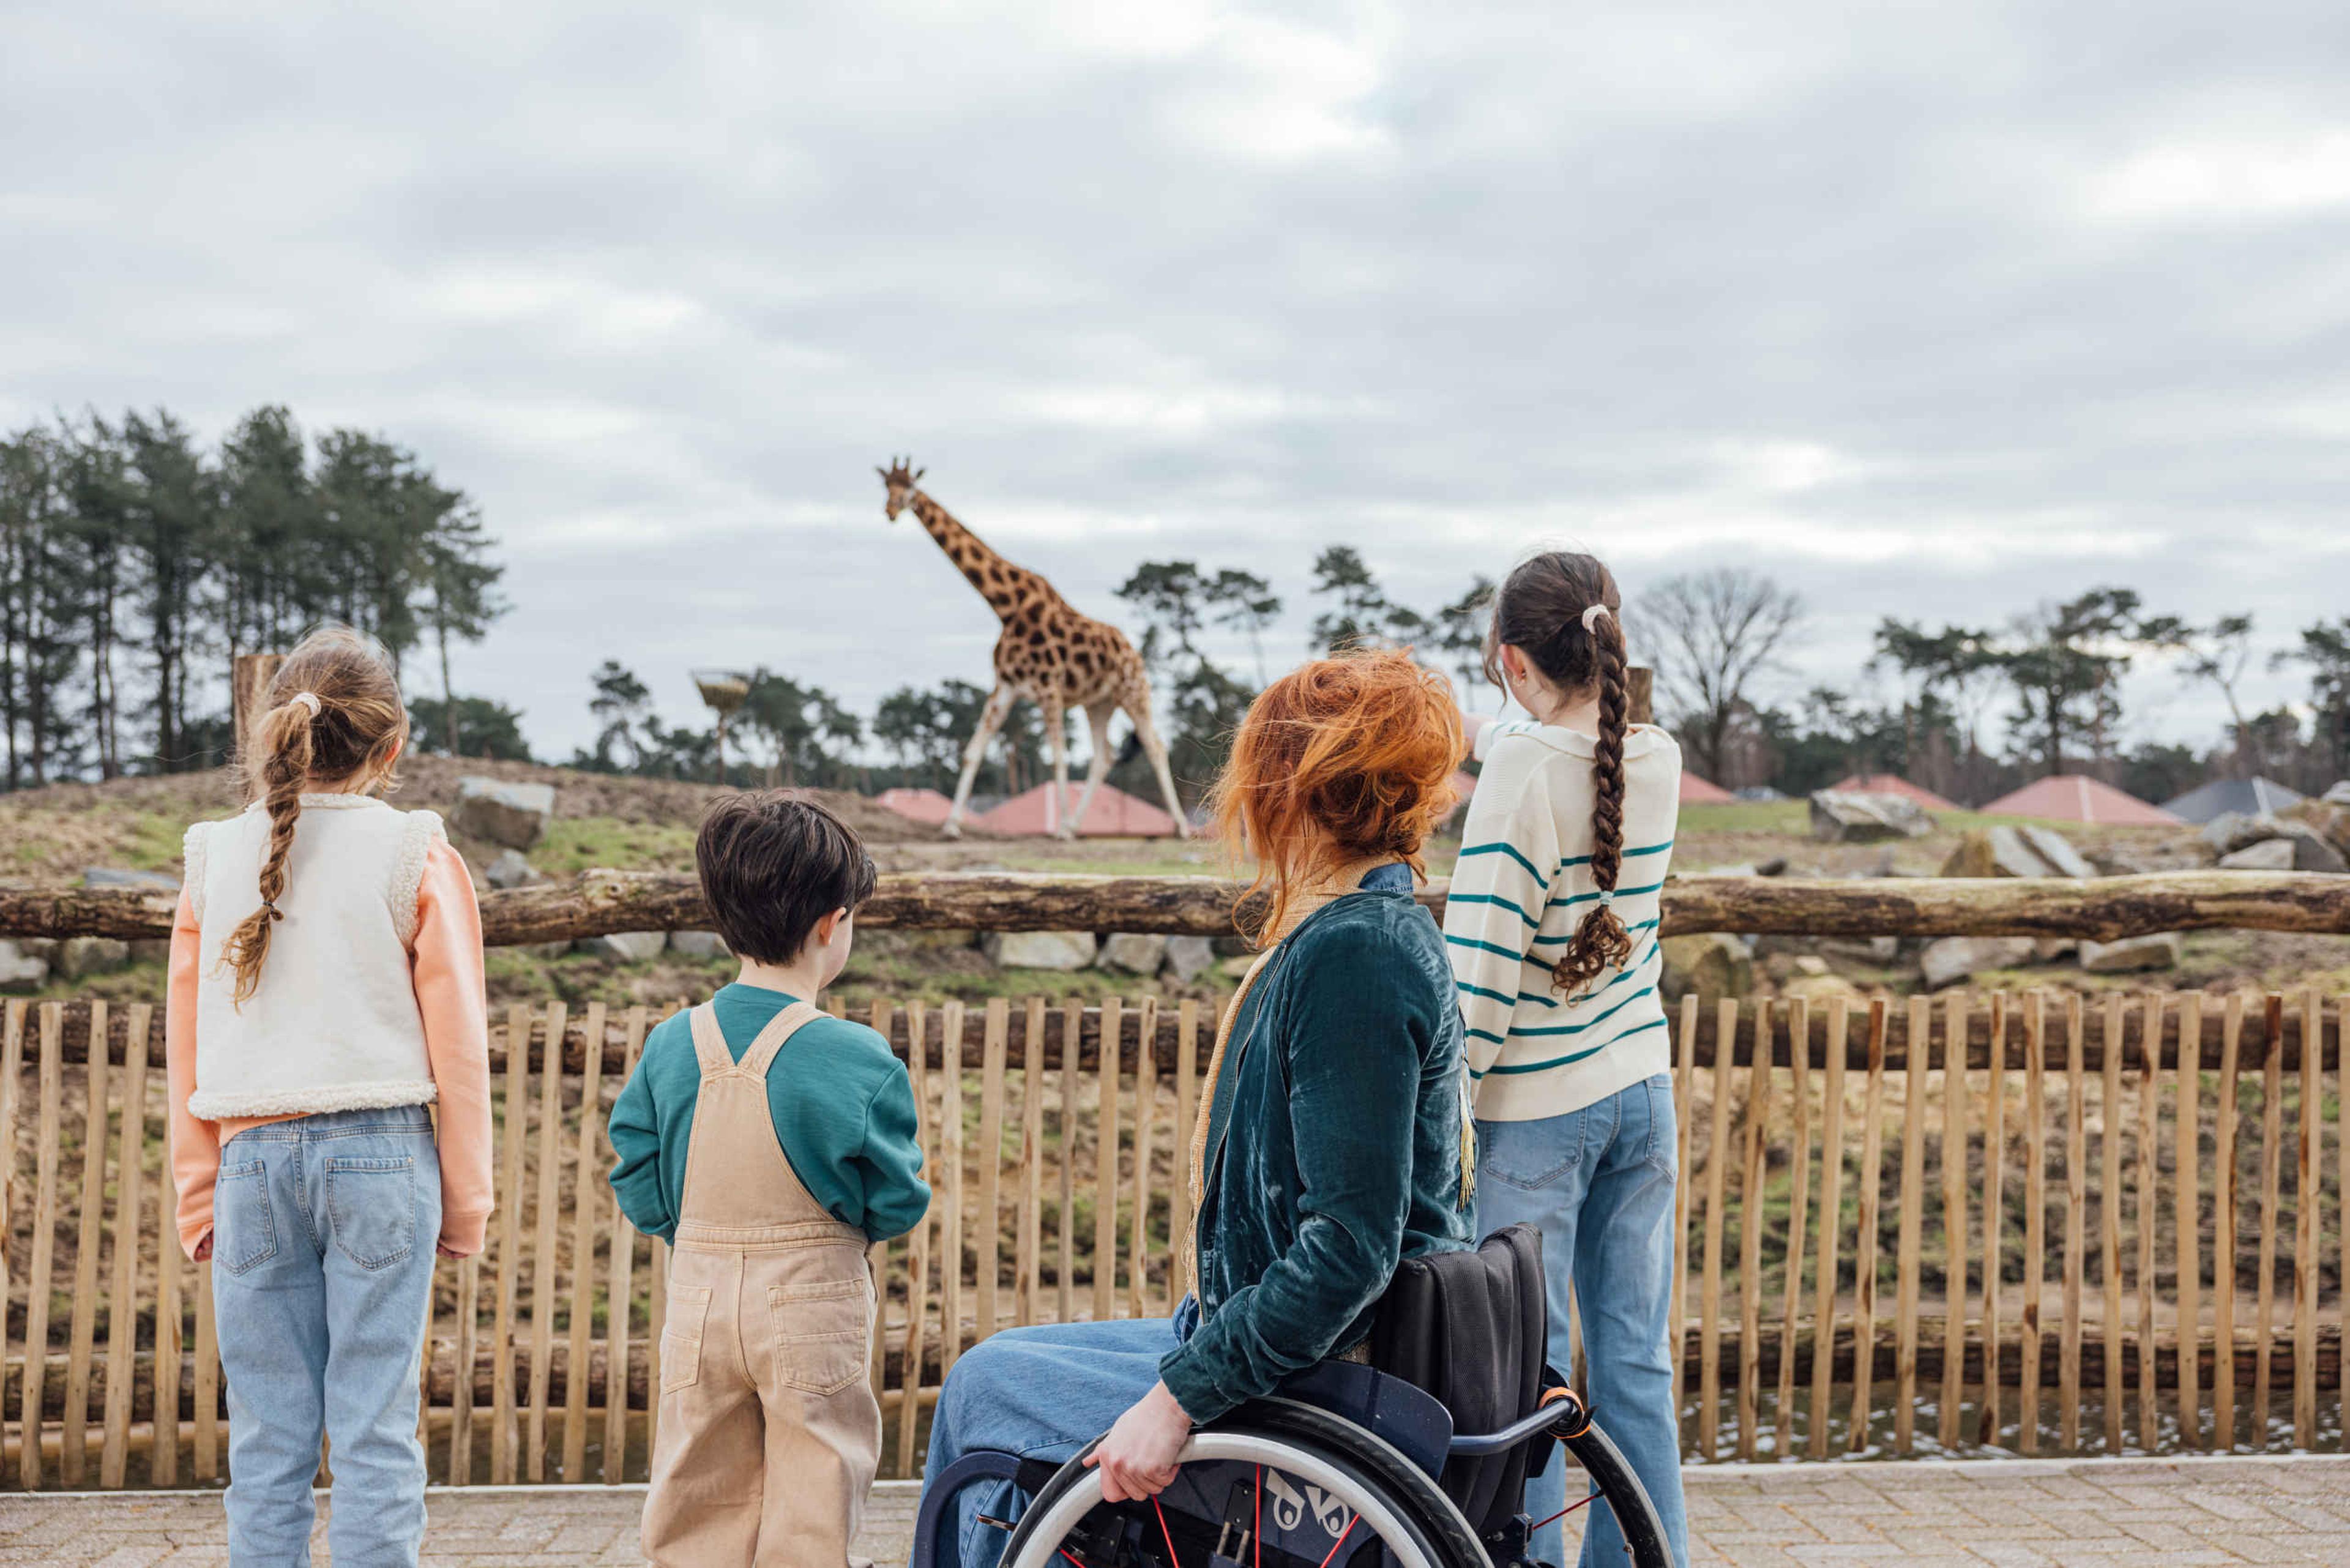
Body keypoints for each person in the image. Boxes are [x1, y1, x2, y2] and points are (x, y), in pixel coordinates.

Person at [922, 648, 1475, 1568]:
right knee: (999, 1370)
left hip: (1312, 1381)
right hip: (1273, 1344)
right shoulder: (1382, 925)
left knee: (984, 1390)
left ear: (1287, 787)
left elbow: (1350, 1246)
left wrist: (1178, 1398)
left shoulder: (1355, 958)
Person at [166, 625, 493, 1567]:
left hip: (248, 1165)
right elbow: (459, 1045)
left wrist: (199, 1197)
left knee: (266, 1437)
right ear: (392, 750)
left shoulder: (207, 859)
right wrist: (465, 1202)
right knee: (375, 1427)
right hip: (385, 1159)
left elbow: (187, 1049)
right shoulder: (415, 852)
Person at [608, 791, 930, 1568]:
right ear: (832, 923)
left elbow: (636, 1171)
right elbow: (896, 1197)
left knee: (695, 1492)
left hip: (701, 1291)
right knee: (815, 1494)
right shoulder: (857, 1056)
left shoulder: (671, 1045)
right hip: (814, 1298)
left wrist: (695, 1231)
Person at [1446, 551, 1687, 1567]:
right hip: (1642, 1088)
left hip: (1535, 1114)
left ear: (1509, 662)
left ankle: (1524, 1558)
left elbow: (1484, 963)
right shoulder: (1659, 755)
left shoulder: (1518, 769)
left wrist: (1446, 1106)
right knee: (1633, 1358)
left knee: (1523, 1371)